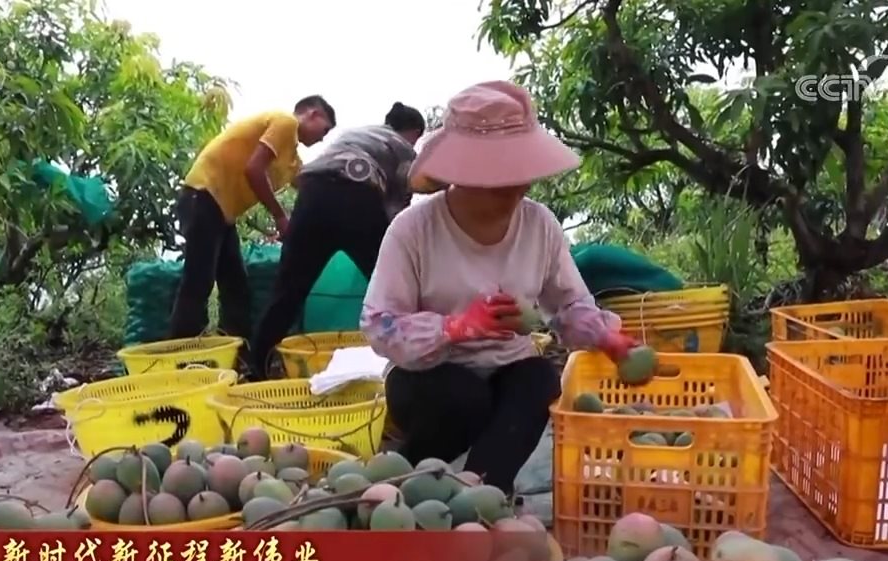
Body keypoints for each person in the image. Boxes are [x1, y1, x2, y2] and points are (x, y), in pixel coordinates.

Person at [359, 80, 644, 494]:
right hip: (430, 377)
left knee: (539, 382)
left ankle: (483, 494)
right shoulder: (413, 230)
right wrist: (456, 327)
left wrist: (608, 338)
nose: (515, 186)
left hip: (507, 368)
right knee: (463, 398)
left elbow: (569, 304)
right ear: (458, 174)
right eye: (498, 176)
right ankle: (407, 482)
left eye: (520, 172)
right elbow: (380, 324)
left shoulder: (539, 225)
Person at [249, 103, 429, 374]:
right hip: (358, 198)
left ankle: (256, 367)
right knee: (394, 287)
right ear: (413, 132)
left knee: (287, 292)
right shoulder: (403, 148)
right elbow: (398, 209)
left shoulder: (355, 134)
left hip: (312, 196)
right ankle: (418, 361)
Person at [168, 96, 337, 342]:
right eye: (325, 130)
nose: (323, 138)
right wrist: (279, 216)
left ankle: (239, 349)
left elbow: (309, 187)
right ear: (313, 114)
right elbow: (254, 169)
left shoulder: (291, 158)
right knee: (199, 281)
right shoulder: (285, 123)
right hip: (203, 195)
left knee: (235, 286)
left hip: (222, 213)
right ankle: (182, 351)